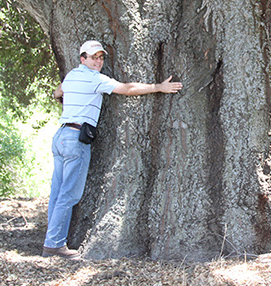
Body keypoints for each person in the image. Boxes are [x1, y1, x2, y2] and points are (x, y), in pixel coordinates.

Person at [43, 40, 182, 259]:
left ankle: (51, 241)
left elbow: (56, 93)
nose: (98, 61)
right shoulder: (94, 79)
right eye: (93, 57)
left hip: (61, 136)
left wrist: (70, 98)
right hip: (75, 140)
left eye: (101, 57)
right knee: (68, 194)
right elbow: (127, 89)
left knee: (58, 193)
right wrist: (158, 87)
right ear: (83, 59)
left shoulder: (71, 76)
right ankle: (54, 244)